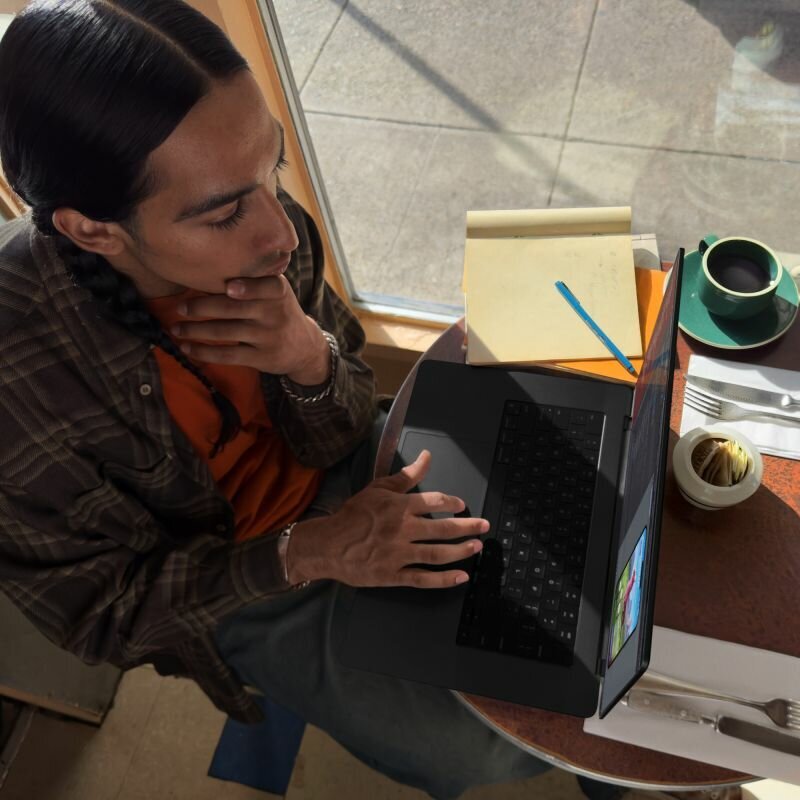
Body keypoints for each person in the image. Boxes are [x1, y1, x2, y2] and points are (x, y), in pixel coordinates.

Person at [0, 3, 624, 799]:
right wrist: (313, 551)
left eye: (274, 171)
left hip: (346, 472)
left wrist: (307, 357)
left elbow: (345, 423)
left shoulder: (262, 232)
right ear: (94, 231)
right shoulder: (20, 381)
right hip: (239, 575)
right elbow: (103, 616)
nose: (281, 234)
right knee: (475, 748)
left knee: (581, 553)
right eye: (226, 211)